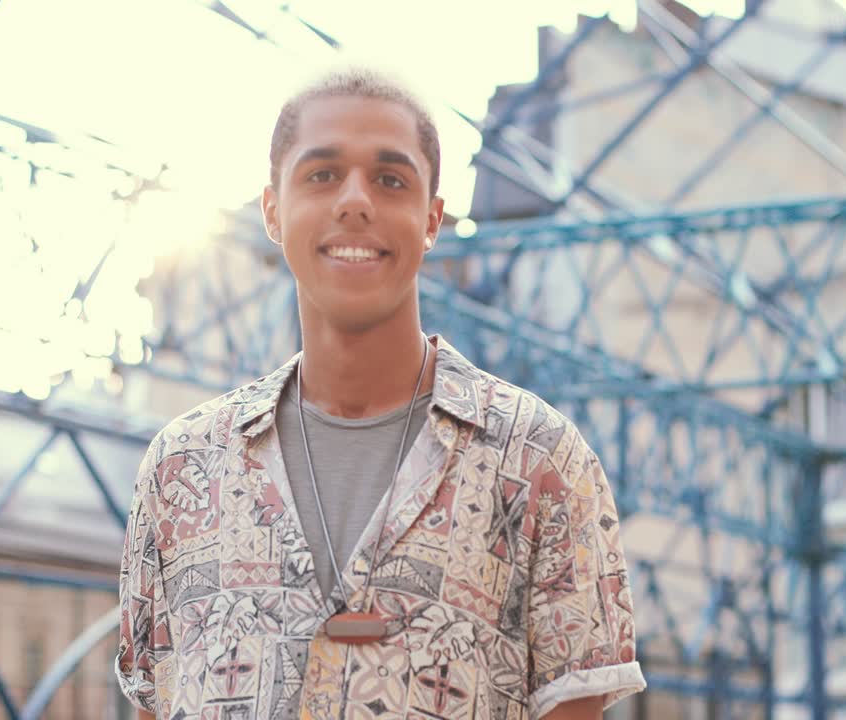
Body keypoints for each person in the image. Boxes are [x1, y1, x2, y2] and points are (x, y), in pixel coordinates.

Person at [115, 65, 645, 719]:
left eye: (390, 179)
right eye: (322, 175)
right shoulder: (179, 467)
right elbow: (152, 703)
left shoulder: (539, 461)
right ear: (273, 211)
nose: (355, 200)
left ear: (430, 219)